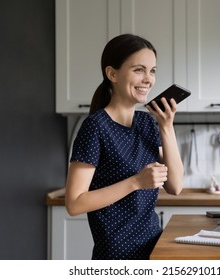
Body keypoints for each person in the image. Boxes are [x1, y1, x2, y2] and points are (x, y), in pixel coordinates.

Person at [64, 34, 184, 260]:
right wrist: (136, 182)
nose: (148, 79)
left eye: (153, 71)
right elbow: (75, 203)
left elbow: (176, 186)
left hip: (152, 250)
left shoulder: (148, 122)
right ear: (112, 74)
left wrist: (167, 127)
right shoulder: (95, 127)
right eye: (139, 69)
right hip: (116, 256)